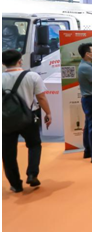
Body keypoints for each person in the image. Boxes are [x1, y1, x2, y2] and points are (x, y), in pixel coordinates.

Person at [2, 49, 52, 191]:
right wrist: (48, 113)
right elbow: (41, 97)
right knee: (34, 144)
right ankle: (32, 174)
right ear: (20, 61)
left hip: (5, 120)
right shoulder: (32, 76)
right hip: (29, 116)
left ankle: (15, 184)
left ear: (3, 63)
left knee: (8, 152)